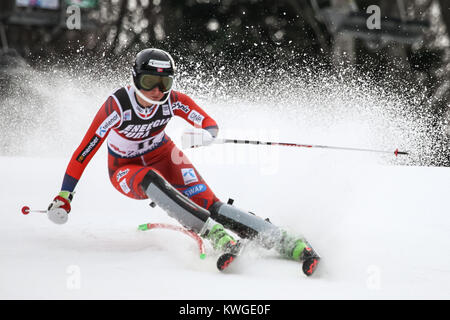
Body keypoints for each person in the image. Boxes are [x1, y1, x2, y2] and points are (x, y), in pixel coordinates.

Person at [47, 48, 319, 275]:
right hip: (125, 169)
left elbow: (208, 122)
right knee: (149, 178)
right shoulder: (117, 106)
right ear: (135, 79)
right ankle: (212, 233)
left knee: (211, 204)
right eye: (149, 83)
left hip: (165, 155)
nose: (156, 91)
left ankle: (283, 239)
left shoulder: (171, 101)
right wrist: (65, 194)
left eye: (164, 84)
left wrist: (207, 134)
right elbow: (84, 152)